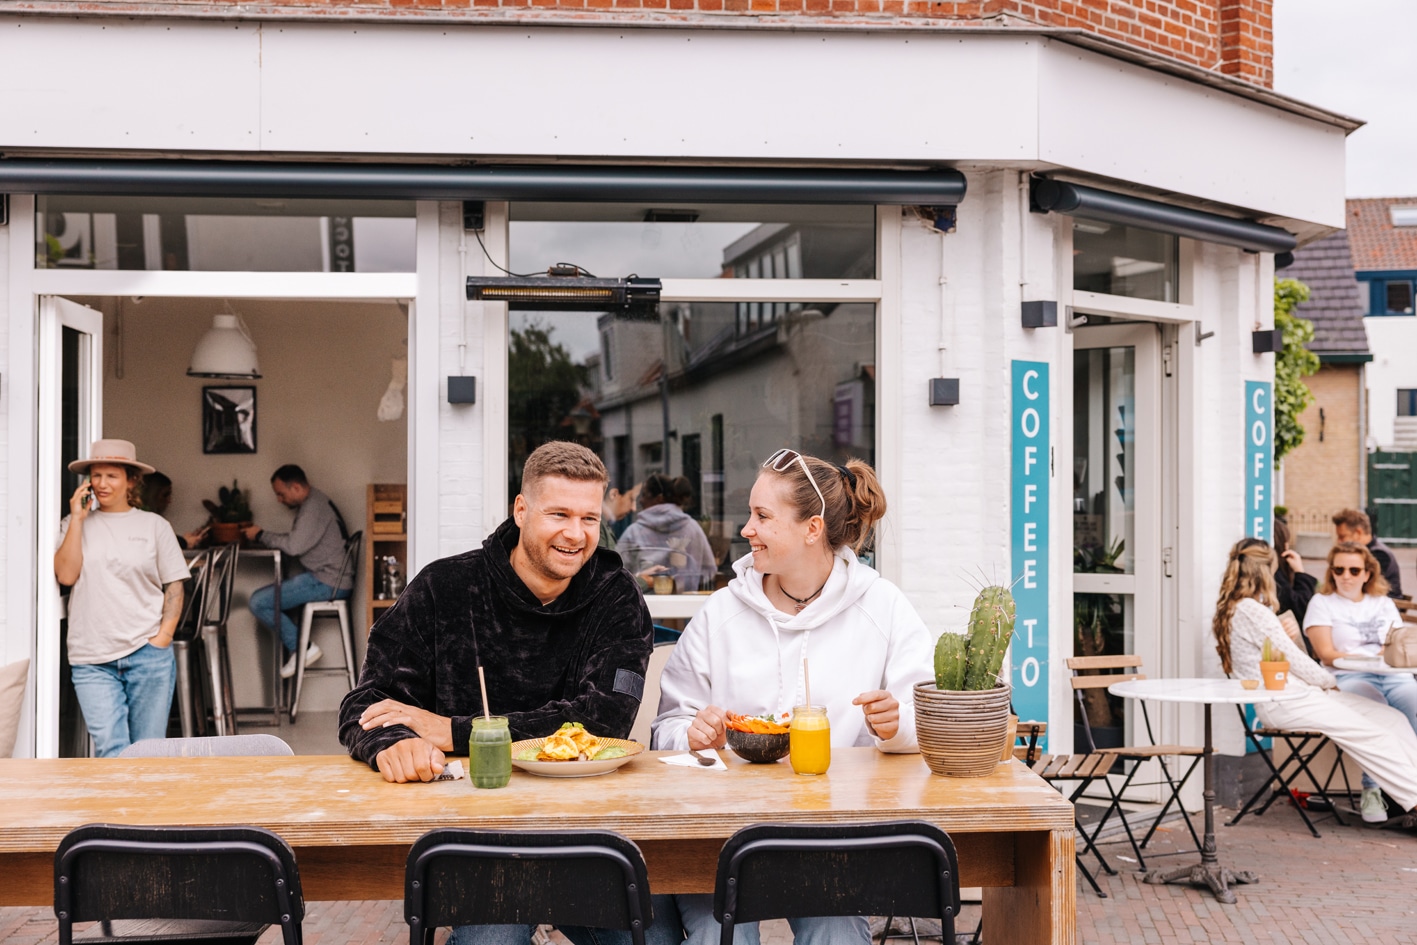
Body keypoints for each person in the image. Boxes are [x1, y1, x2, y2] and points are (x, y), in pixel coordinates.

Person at [339, 441, 654, 945]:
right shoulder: (445, 586)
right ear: (521, 509)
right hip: (475, 836)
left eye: (589, 518)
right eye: (559, 514)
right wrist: (393, 744)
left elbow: (606, 721)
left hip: (587, 833)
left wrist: (453, 731)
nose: (576, 534)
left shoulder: (617, 597)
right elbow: (367, 701)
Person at [652, 449, 933, 945]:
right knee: (723, 937)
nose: (746, 529)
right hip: (720, 838)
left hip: (830, 840)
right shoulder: (721, 613)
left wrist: (896, 724)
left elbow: (926, 721)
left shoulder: (882, 606)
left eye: (762, 516)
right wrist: (692, 734)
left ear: (812, 528)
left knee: (835, 933)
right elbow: (668, 725)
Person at [1215, 538, 1417, 824]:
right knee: (1374, 733)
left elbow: (1288, 659)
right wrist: (1328, 682)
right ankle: (1413, 801)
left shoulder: (1248, 609)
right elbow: (1298, 663)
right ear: (1266, 571)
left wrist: (1294, 642)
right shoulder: (1252, 611)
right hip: (1285, 702)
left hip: (1301, 694)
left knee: (1393, 719)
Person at [53, 439, 189, 757]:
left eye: (111, 476)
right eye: (96, 475)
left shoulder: (154, 526)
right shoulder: (72, 525)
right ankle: (117, 809)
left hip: (147, 654)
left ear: (131, 480)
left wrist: (163, 636)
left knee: (148, 753)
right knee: (111, 752)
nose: (101, 483)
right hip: (92, 658)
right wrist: (77, 519)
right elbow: (66, 576)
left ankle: (146, 809)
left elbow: (174, 586)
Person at [1302, 540, 1416, 822]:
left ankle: (1409, 788)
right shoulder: (1322, 603)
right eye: (1339, 569)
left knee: (1413, 699)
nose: (1346, 576)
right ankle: (1372, 788)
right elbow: (1326, 655)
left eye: (1354, 570)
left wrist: (1379, 655)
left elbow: (1397, 648)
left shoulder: (1382, 603)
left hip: (1391, 675)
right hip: (1348, 675)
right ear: (1331, 572)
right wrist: (1368, 657)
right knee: (1374, 708)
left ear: (1367, 573)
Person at [242, 465, 352, 679]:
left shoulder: (313, 508)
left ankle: (302, 649)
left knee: (259, 602)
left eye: (281, 494)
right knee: (267, 599)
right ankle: (301, 648)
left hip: (327, 581)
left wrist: (260, 535)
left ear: (296, 487)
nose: (279, 500)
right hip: (330, 578)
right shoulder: (315, 503)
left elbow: (294, 546)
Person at [616, 473, 718, 592]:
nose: (641, 501)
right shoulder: (692, 528)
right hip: (686, 605)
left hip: (641, 604)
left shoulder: (634, 532)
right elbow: (709, 570)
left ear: (659, 498)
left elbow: (614, 574)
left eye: (644, 495)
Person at [1332, 508, 1404, 598]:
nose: (1339, 542)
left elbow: (1361, 587)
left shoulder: (1379, 554)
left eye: (1342, 537)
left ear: (1358, 533)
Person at [140, 470, 210, 549]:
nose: (169, 501)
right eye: (165, 495)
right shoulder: (142, 521)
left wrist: (185, 540)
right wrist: (184, 542)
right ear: (151, 495)